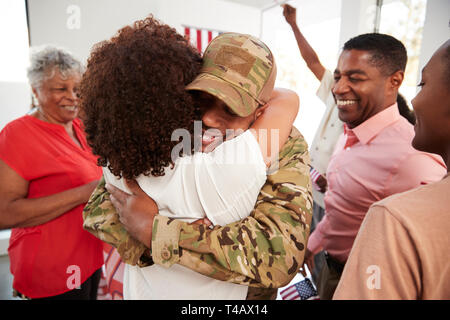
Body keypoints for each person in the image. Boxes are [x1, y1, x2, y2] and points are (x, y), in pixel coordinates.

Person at [83, 24, 313, 301]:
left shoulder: (284, 143)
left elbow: (280, 256)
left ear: (261, 111)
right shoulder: (167, 129)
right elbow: (98, 211)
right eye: (202, 99)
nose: (209, 118)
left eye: (230, 108)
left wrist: (156, 231)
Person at [303, 33, 447, 299]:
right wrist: (312, 245)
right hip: (330, 269)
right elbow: (342, 205)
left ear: (395, 81)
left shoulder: (412, 156)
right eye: (338, 77)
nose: (338, 88)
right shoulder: (351, 130)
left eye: (355, 78)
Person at [0, 46, 104, 299]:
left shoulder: (79, 125)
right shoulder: (17, 135)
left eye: (77, 89)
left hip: (89, 258)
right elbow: (4, 213)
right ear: (35, 90)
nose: (72, 97)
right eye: (60, 89)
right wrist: (83, 193)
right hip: (50, 269)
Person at [282, 3, 343, 283]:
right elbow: (312, 61)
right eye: (339, 75)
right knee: (308, 252)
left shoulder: (360, 111)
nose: (341, 84)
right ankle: (310, 288)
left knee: (323, 257)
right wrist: (293, 26)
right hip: (314, 189)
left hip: (334, 196)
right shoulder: (335, 89)